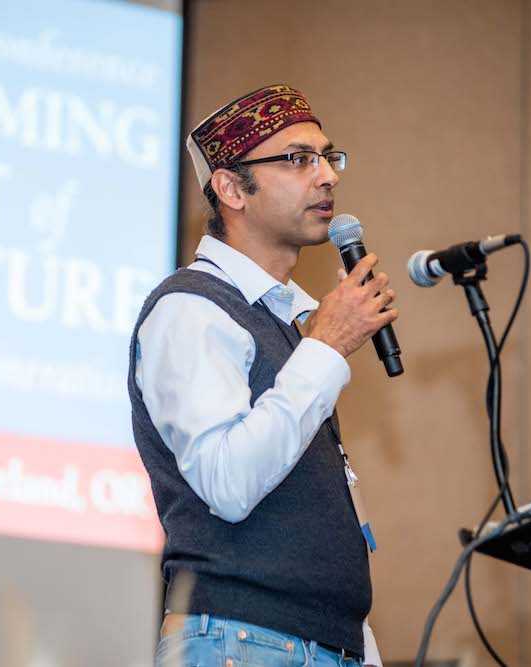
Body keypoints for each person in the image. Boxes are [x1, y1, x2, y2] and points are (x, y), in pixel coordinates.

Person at [128, 84, 397, 666]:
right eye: (299, 159)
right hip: (242, 641)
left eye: (329, 157)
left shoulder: (287, 323)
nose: (327, 176)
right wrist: (325, 347)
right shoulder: (190, 309)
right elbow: (227, 482)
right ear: (230, 188)